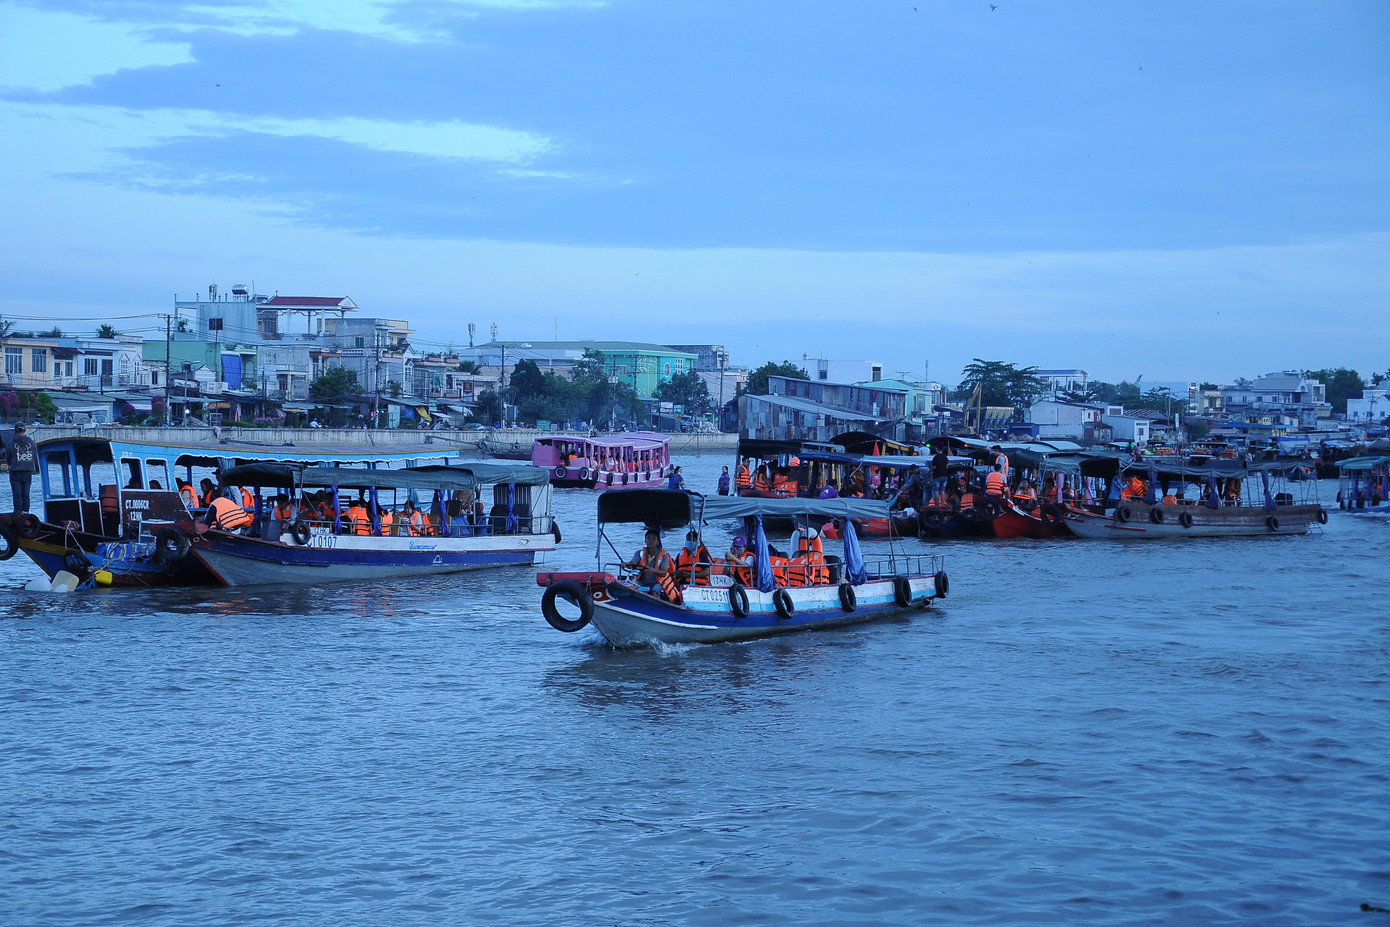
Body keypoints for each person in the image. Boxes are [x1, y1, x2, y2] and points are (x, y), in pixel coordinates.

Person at [624, 528, 679, 601]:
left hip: (658, 583)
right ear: (645, 541)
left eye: (653, 539)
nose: (651, 541)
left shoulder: (664, 555)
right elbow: (633, 563)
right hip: (643, 582)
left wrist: (653, 570)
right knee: (632, 588)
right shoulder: (639, 553)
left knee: (654, 591)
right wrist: (626, 564)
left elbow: (664, 572)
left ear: (658, 542)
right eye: (648, 539)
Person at [6, 424, 38, 515]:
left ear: (15, 431)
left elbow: (7, 457)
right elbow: (34, 457)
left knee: (17, 496)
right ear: (25, 430)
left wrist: (12, 465)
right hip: (27, 471)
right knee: (26, 495)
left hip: (15, 471)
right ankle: (25, 514)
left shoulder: (11, 442)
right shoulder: (31, 442)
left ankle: (17, 514)